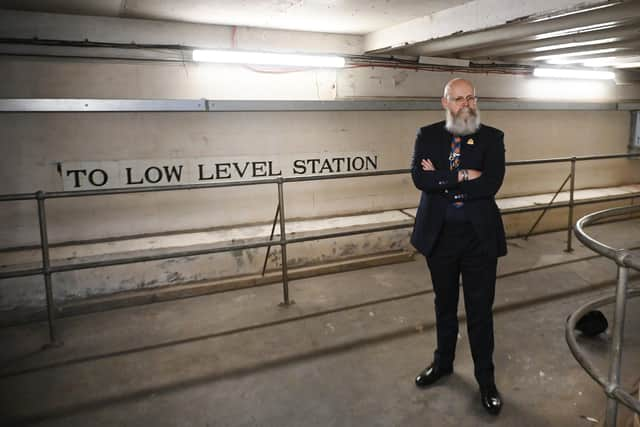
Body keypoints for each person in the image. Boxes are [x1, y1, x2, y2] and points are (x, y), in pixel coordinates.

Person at [410, 78, 507, 415]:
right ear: (445, 102)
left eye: (470, 98)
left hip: (479, 239)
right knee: (445, 304)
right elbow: (420, 179)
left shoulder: (492, 138)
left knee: (480, 312)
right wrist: (465, 175)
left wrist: (443, 179)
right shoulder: (428, 135)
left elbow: (491, 184)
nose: (465, 105)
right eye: (458, 99)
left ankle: (486, 379)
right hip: (440, 238)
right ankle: (443, 364)